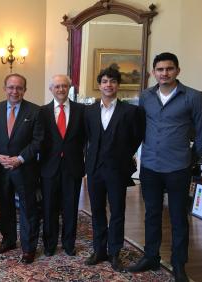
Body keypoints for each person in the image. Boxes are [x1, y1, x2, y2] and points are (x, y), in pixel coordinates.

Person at [128, 52, 202, 282]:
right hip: (151, 166)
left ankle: (178, 264)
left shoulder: (193, 97)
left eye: (169, 69)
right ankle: (151, 257)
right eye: (160, 69)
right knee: (152, 214)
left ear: (177, 71)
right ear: (154, 72)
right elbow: (140, 126)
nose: (165, 73)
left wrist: (190, 159)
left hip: (178, 168)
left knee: (177, 217)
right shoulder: (145, 96)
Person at [84, 67, 144, 271]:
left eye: (113, 81)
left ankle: (114, 252)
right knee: (97, 210)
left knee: (117, 211)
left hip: (117, 169)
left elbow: (137, 137)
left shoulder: (131, 111)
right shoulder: (90, 111)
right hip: (94, 169)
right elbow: (87, 137)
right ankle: (99, 250)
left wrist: (122, 154)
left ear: (118, 85)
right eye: (105, 81)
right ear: (99, 85)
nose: (108, 85)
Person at [0, 73, 42, 264]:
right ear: (4, 88)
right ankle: (8, 240)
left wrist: (20, 159)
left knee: (28, 208)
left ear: (24, 90)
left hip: (24, 168)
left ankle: (28, 248)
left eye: (19, 88)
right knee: (5, 206)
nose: (14, 91)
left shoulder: (35, 111)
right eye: (11, 87)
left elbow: (38, 141)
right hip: (2, 167)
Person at [38, 75, 85, 257]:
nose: (61, 90)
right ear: (51, 89)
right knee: (49, 208)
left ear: (69, 88)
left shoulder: (82, 111)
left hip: (73, 166)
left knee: (70, 208)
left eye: (64, 86)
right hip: (49, 167)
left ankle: (69, 244)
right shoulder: (42, 112)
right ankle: (49, 245)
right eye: (57, 86)